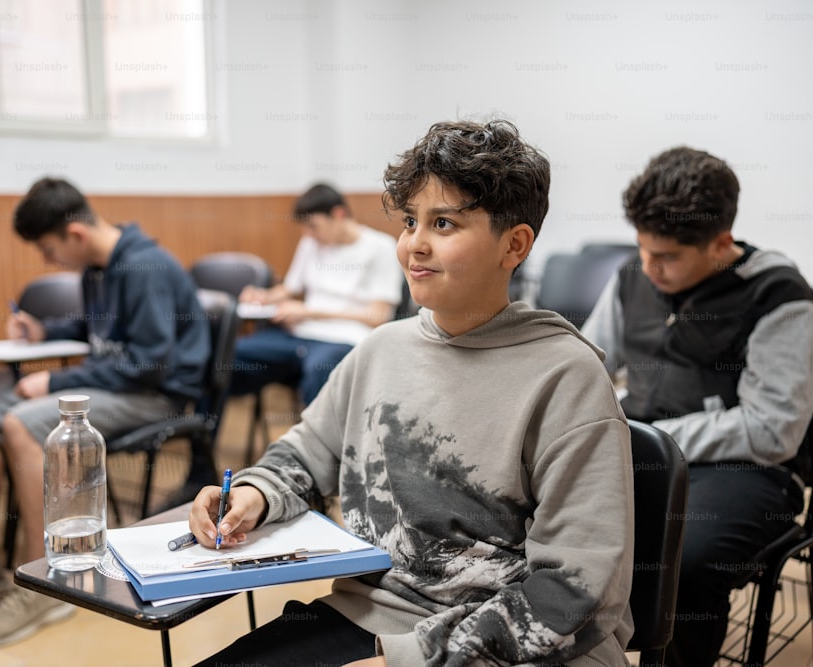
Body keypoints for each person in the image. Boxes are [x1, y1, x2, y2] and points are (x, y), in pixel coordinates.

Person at [189, 119, 636, 666]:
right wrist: (254, 494)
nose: (413, 247)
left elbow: (575, 592)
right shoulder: (382, 350)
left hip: (505, 645)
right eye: (409, 222)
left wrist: (402, 662)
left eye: (443, 223)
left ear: (513, 245)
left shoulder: (566, 378)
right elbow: (308, 451)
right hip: (370, 615)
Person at [0, 177, 211, 647]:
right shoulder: (98, 268)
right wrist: (43, 330)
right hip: (113, 384)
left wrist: (55, 380)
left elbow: (148, 363)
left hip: (154, 395)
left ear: (75, 235)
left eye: (49, 250)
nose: (50, 262)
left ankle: (46, 581)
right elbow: (99, 331)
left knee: (23, 423)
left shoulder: (144, 265)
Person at [581, 146, 813, 667]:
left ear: (721, 243)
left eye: (667, 257)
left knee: (682, 564)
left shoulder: (779, 297)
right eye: (643, 250)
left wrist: (640, 433)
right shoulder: (635, 276)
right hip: (641, 447)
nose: (648, 268)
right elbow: (587, 365)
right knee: (540, 528)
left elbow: (771, 431)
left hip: (744, 471)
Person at [230, 183, 403, 408]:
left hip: (345, 339)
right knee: (232, 354)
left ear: (338, 214)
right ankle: (202, 433)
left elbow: (378, 316)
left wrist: (308, 312)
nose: (308, 234)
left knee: (319, 370)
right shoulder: (311, 242)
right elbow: (290, 289)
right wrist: (264, 297)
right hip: (298, 335)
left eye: (314, 226)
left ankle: (317, 442)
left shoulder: (381, 248)